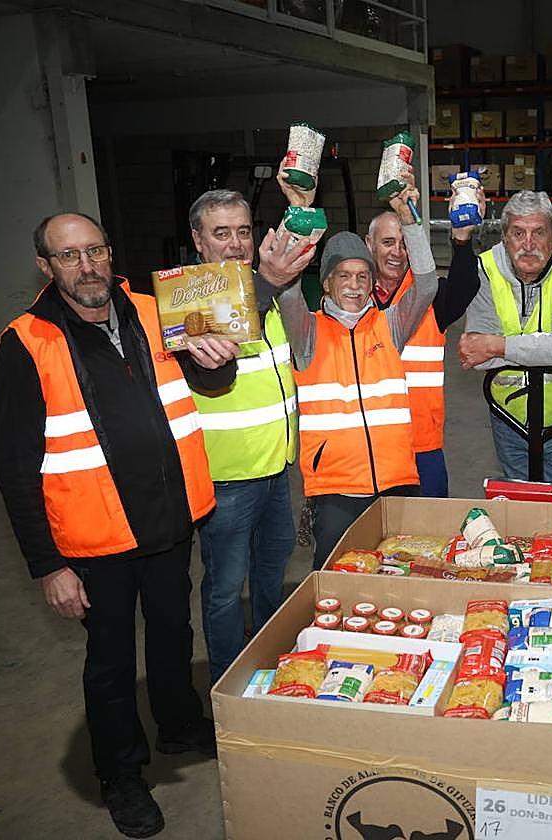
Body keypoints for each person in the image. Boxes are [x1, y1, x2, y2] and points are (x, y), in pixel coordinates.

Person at [0, 212, 239, 838]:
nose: (88, 266)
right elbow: (16, 469)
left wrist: (219, 360)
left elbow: (211, 380)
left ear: (110, 252)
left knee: (171, 632)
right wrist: (47, 564)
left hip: (167, 517)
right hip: (94, 536)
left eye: (96, 250)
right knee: (108, 660)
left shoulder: (155, 310)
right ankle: (121, 774)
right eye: (69, 256)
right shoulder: (27, 342)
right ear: (46, 267)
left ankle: (178, 724)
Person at [184, 189, 316, 685]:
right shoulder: (194, 302)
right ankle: (228, 683)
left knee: (270, 576)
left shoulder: (267, 297)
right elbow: (217, 354)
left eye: (244, 231)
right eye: (222, 233)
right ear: (198, 241)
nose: (236, 243)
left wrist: (301, 205)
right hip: (229, 480)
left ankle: (267, 667)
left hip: (276, 470)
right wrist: (268, 282)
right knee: (223, 590)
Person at [276, 174, 437, 569]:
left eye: (362, 276)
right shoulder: (307, 331)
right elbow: (286, 287)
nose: (354, 285)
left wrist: (410, 220)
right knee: (336, 580)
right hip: (336, 490)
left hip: (397, 480)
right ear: (327, 283)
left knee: (401, 579)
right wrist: (299, 214)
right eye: (343, 276)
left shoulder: (390, 325)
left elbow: (428, 284)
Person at [455, 190, 552, 503]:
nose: (528, 244)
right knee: (517, 511)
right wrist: (550, 348)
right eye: (518, 233)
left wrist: (497, 345)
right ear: (505, 236)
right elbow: (476, 355)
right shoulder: (486, 268)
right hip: (508, 414)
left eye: (538, 232)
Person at [365, 190, 483, 497]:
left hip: (423, 444)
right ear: (369, 244)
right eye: (387, 242)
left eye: (405, 244)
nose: (397, 252)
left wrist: (462, 238)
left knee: (429, 533)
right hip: (366, 443)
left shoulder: (431, 296)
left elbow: (466, 285)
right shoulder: (352, 300)